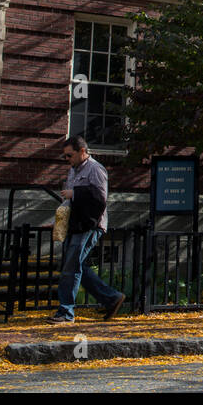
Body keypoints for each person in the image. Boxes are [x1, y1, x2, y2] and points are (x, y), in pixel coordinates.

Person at [49, 136, 125, 323]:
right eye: (65, 156)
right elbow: (69, 199)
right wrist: (61, 219)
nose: (67, 159)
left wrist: (74, 193)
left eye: (70, 155)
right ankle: (111, 298)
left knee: (70, 267)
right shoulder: (73, 171)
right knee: (74, 265)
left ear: (82, 151)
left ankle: (66, 312)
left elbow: (100, 198)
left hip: (90, 225)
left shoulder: (96, 169)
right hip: (75, 224)